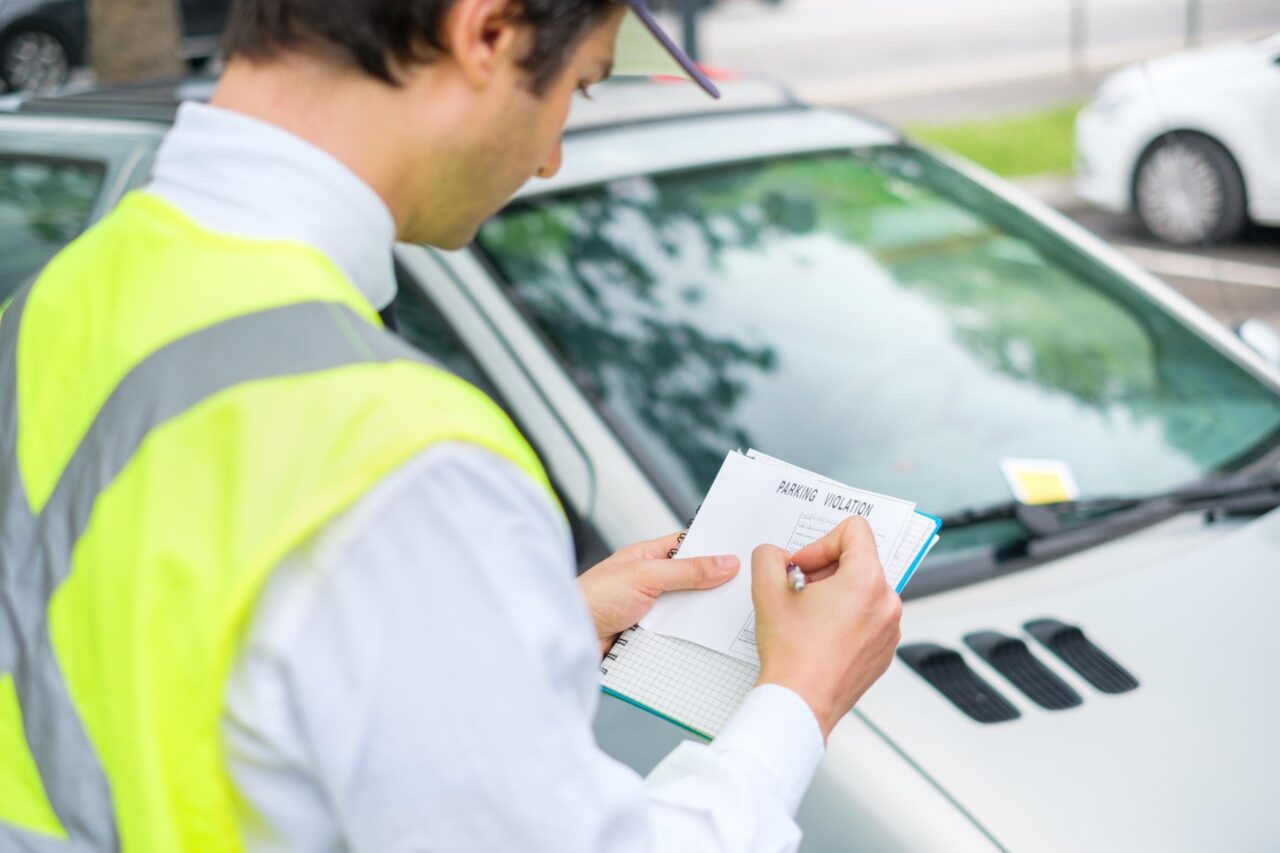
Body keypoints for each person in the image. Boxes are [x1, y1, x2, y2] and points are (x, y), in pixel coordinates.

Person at [0, 0, 903, 849]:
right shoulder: (404, 462)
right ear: (490, 31)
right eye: (577, 87)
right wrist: (799, 696)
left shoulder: (52, 303)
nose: (552, 156)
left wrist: (501, 634)